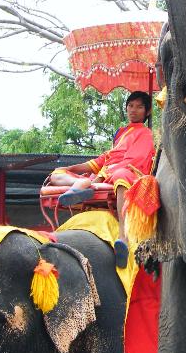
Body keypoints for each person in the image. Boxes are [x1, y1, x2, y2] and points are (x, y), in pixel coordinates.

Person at [48, 91, 155, 265]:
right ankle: (83, 184)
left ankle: (123, 236)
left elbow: (135, 161)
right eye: (130, 106)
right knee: (57, 174)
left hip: (125, 173)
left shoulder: (145, 134)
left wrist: (105, 173)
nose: (133, 110)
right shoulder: (121, 133)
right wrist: (71, 168)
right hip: (102, 175)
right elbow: (103, 159)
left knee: (122, 176)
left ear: (147, 111)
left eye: (139, 107)